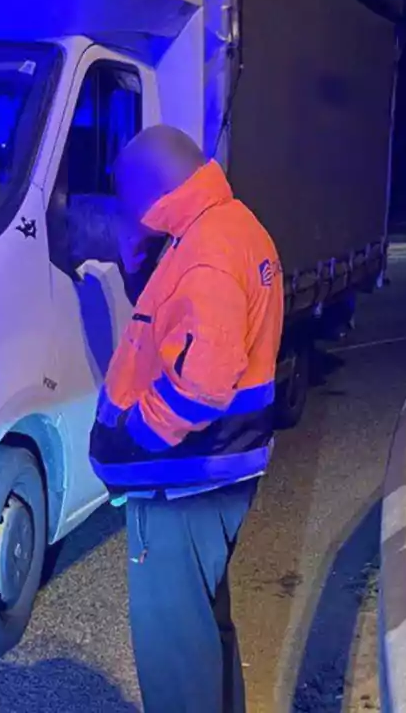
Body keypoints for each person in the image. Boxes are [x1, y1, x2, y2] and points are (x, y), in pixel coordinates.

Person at [88, 125, 284, 713]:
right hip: (221, 470)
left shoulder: (207, 253)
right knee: (205, 628)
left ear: (148, 191)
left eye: (126, 199)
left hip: (185, 477)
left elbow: (201, 383)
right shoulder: (231, 224)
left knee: (173, 646)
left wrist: (139, 437)